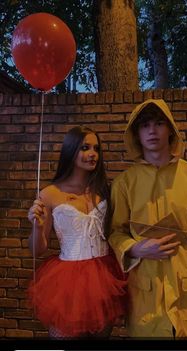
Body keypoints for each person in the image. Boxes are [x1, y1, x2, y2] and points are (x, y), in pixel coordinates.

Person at [108, 98, 187, 339]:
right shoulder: (124, 184)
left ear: (170, 130)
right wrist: (135, 248)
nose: (152, 130)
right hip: (144, 301)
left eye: (159, 123)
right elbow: (114, 233)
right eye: (145, 125)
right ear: (136, 134)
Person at [27, 126, 127, 339]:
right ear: (70, 150)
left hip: (104, 275)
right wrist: (36, 225)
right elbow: (37, 250)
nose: (92, 154)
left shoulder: (104, 190)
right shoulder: (50, 193)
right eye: (85, 147)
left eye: (96, 148)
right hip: (67, 280)